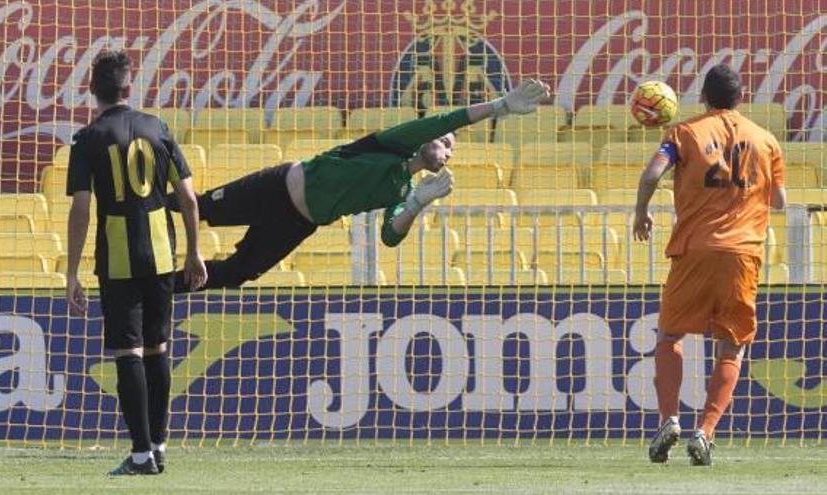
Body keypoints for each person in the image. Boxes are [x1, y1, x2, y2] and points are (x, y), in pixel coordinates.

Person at [169, 79, 551, 292]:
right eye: (446, 143)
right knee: (201, 208)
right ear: (428, 140)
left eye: (452, 151)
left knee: (239, 273)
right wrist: (499, 106)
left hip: (298, 222)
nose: (448, 152)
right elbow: (447, 119)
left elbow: (390, 234)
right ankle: (144, 205)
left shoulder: (403, 188)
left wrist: (417, 203)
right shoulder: (395, 143)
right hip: (279, 186)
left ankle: (158, 287)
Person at [634, 64, 786, 466]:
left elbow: (651, 175)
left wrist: (640, 214)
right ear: (741, 98)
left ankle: (669, 419)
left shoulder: (683, 133)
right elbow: (780, 201)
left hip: (693, 250)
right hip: (743, 255)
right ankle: (706, 431)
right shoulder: (766, 141)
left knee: (669, 335)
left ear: (702, 96)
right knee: (732, 347)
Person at [65, 50, 208, 475]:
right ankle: (159, 445)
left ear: (92, 90)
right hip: (162, 254)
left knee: (128, 352)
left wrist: (71, 271)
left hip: (119, 259)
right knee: (159, 349)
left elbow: (81, 209)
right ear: (130, 88)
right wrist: (194, 250)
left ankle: (143, 453)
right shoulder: (157, 127)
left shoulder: (88, 139)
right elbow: (188, 198)